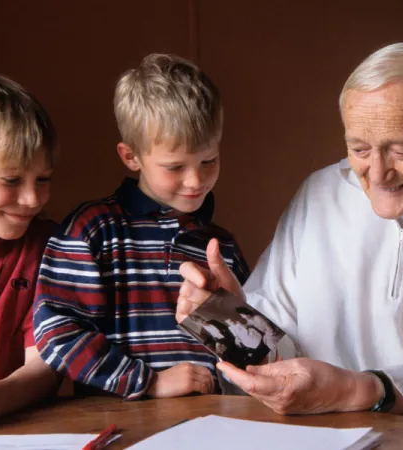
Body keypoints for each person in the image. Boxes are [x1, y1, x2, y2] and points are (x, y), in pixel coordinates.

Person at [176, 42, 403, 423]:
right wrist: (235, 323)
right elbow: (279, 348)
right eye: (359, 148)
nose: (377, 174)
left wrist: (357, 390)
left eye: (400, 150)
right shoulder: (320, 193)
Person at [33, 54, 249, 400]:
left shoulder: (220, 245)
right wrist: (150, 382)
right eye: (174, 167)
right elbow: (55, 329)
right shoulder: (93, 230)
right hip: (120, 425)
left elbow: (247, 355)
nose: (196, 180)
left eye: (209, 160)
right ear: (131, 157)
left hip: (214, 423)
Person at [0, 73, 60, 423]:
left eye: (43, 180)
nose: (32, 199)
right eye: (11, 180)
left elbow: (45, 369)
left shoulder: (49, 248)